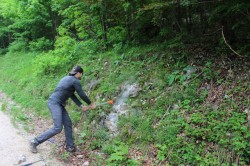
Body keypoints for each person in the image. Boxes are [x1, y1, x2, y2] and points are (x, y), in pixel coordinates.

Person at [29, 66, 95, 153]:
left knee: (68, 123)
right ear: (78, 73)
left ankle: (70, 147)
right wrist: (91, 103)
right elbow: (81, 94)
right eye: (81, 74)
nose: (81, 76)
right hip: (54, 103)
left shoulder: (66, 79)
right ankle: (35, 141)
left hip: (58, 104)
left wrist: (81, 105)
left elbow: (72, 95)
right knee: (57, 128)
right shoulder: (75, 81)